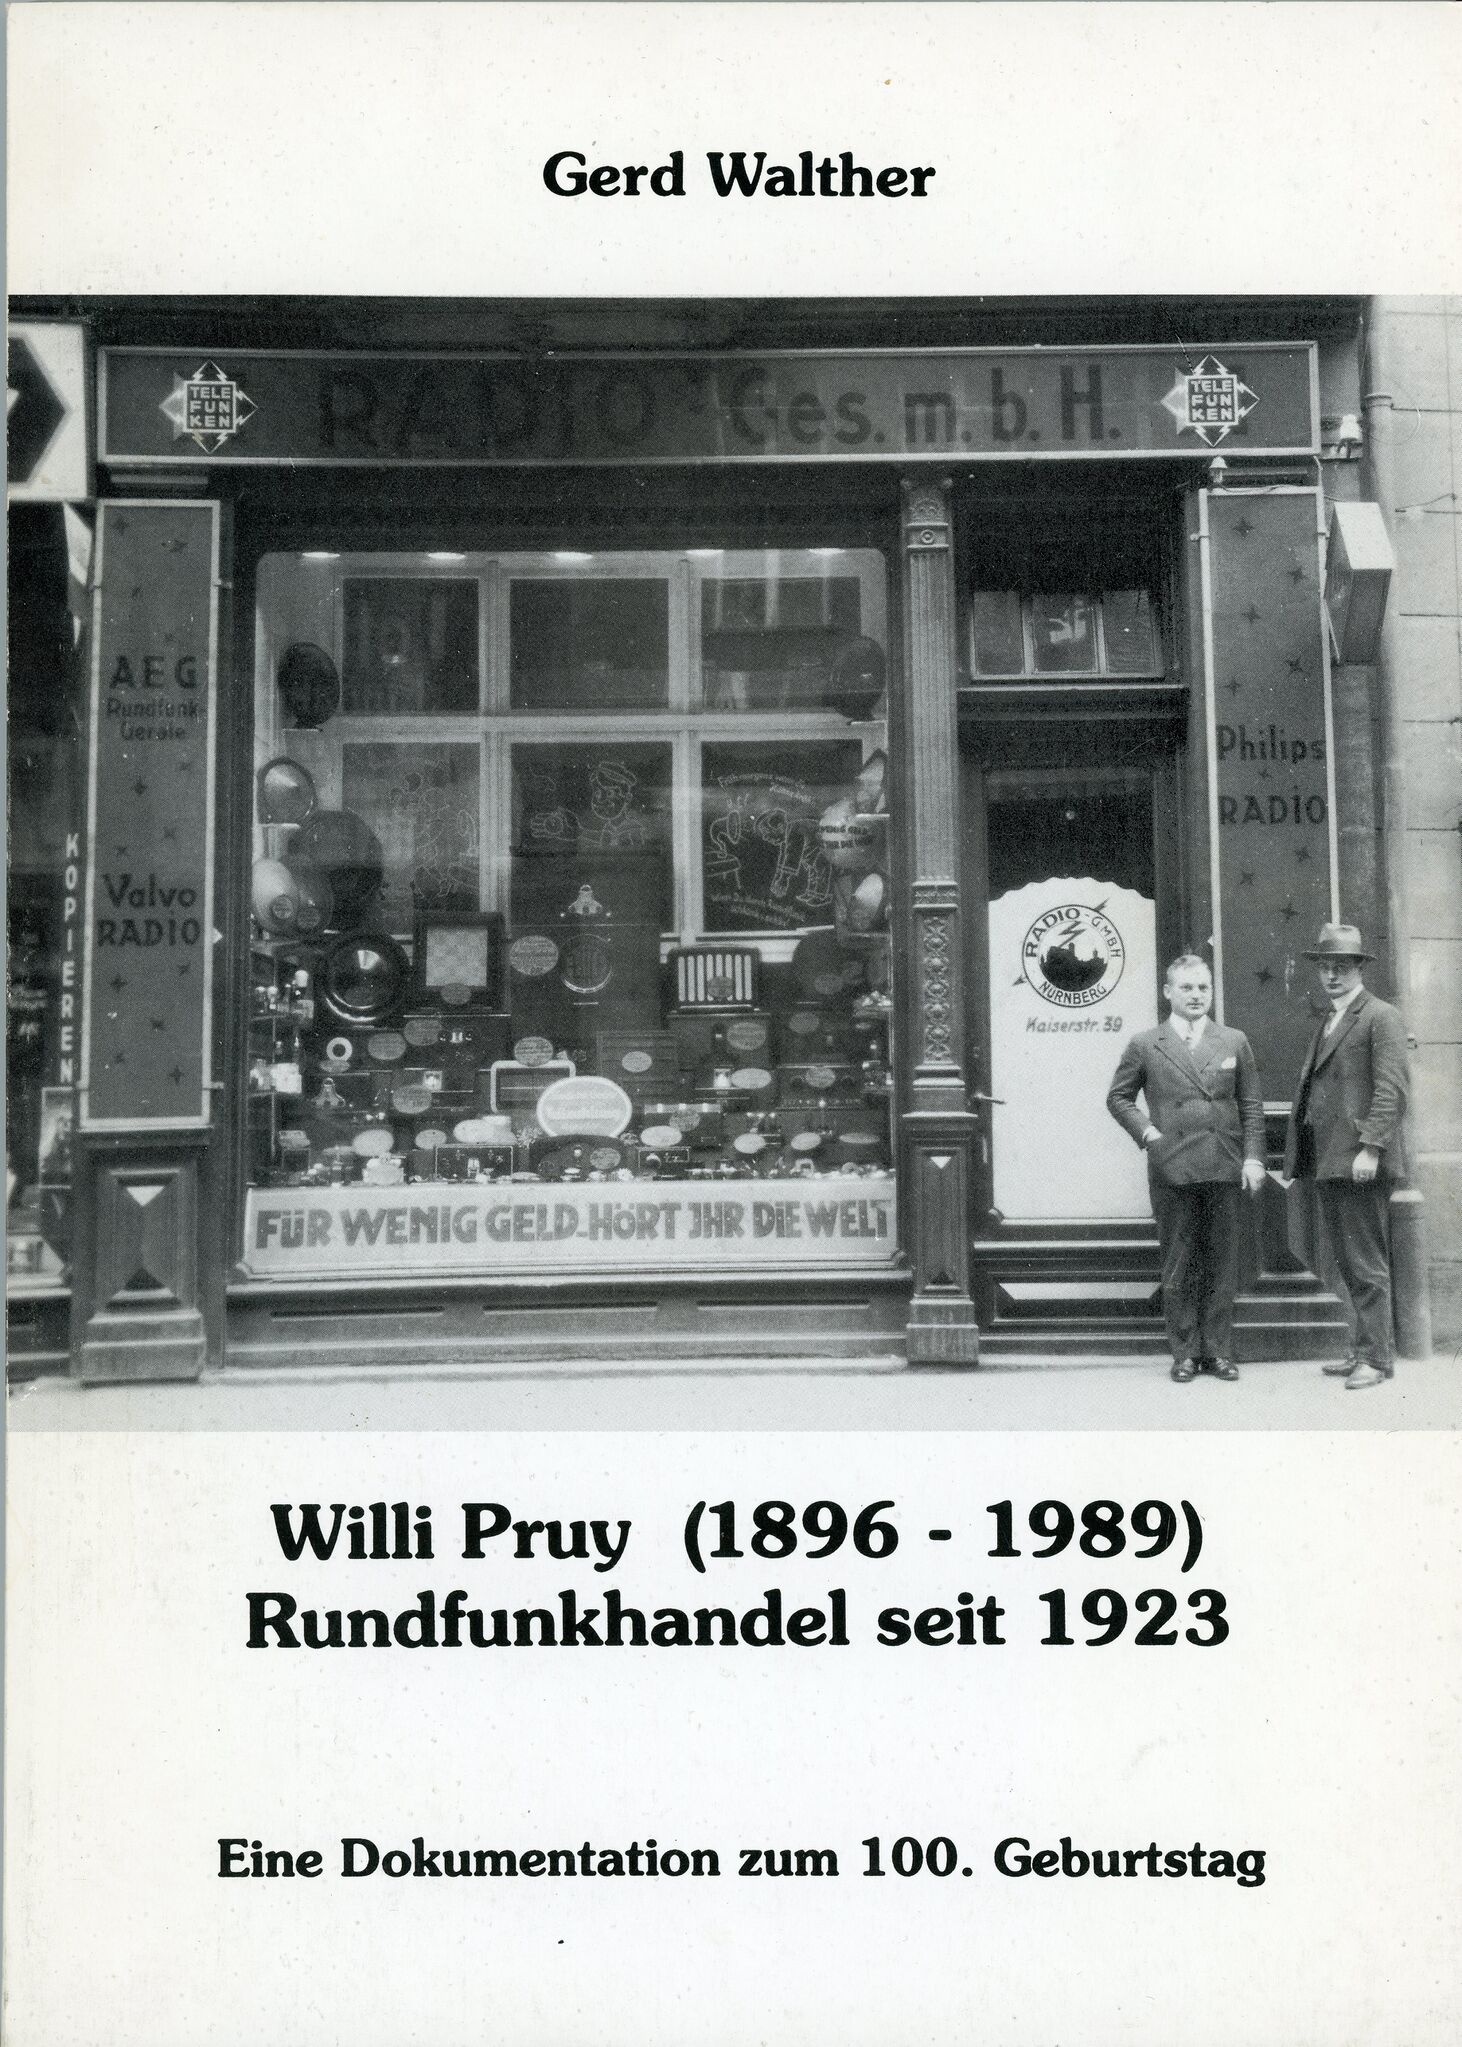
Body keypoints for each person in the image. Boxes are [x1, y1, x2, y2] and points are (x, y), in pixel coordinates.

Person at [1107, 954, 1266, 1383]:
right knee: (1179, 1262)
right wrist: (1149, 1134)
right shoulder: (1146, 1043)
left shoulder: (1233, 1039)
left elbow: (1250, 1105)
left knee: (1222, 1262)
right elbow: (1118, 1098)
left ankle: (1218, 1352)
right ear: (1168, 992)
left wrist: (1253, 1158)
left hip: (1223, 1163)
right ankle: (1185, 1354)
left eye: (1203, 988)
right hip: (1172, 1167)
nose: (1196, 996)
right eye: (1187, 988)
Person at [1283, 924, 1410, 1389]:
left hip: (1358, 1160)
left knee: (1366, 1262)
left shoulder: (1380, 1016)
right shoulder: (1332, 1019)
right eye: (1325, 966)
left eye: (1342, 966)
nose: (1332, 975)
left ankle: (1376, 1359)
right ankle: (1362, 1349)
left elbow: (1392, 1089)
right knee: (1348, 1261)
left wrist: (1371, 1148)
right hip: (1330, 1159)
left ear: (1360, 968)